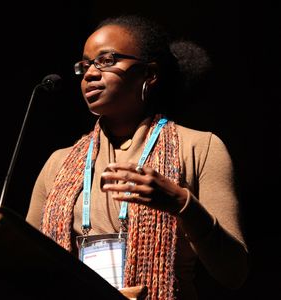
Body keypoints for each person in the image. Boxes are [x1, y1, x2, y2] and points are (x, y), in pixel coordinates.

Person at [26, 15, 249, 300]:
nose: (91, 74)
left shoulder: (200, 147)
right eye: (85, 65)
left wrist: (182, 205)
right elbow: (28, 264)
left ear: (150, 74)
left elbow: (234, 273)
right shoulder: (58, 163)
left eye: (107, 60)